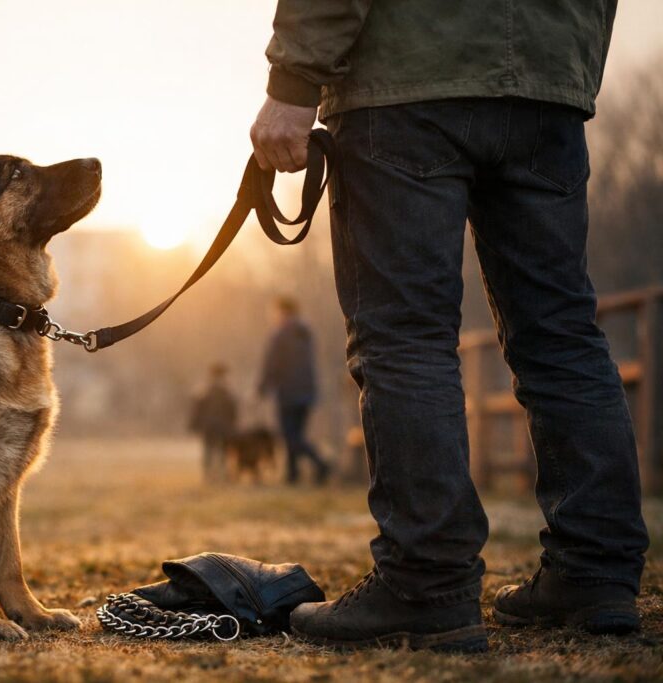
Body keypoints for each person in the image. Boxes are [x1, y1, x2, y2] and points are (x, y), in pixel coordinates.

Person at [250, 0, 648, 653]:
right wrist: (561, 64)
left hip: (406, 76)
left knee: (405, 337)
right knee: (562, 332)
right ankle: (595, 570)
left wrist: (293, 82)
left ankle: (426, 583)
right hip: (548, 78)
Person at [258, 296, 329, 485]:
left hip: (288, 392)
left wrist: (262, 387)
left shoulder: (280, 334)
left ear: (282, 311)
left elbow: (272, 364)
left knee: (290, 436)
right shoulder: (306, 332)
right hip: (307, 393)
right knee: (296, 434)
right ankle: (292, 475)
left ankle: (321, 463)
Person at [189, 362, 238, 483]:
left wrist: (195, 425)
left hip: (209, 427)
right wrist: (233, 425)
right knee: (221, 452)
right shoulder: (227, 393)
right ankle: (220, 475)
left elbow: (197, 411)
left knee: (210, 451)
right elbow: (233, 412)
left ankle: (210, 475)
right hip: (222, 427)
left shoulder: (204, 391)